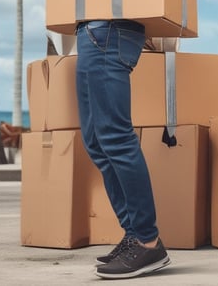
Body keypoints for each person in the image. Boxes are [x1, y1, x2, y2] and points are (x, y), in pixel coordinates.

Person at [75, 19, 170, 279]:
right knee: (95, 141)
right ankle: (133, 233)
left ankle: (147, 241)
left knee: (116, 137)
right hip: (91, 33)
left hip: (108, 32)